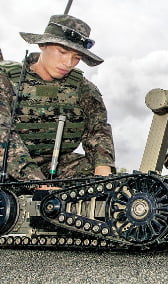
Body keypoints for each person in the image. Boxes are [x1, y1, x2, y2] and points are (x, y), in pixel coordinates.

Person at [0, 14, 115, 185]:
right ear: (42, 45)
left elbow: (98, 131)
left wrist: (103, 180)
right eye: (62, 52)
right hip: (8, 167)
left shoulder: (82, 88)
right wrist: (37, 183)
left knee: (95, 175)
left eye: (76, 57)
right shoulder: (6, 79)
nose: (68, 62)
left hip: (55, 166)